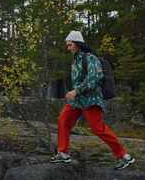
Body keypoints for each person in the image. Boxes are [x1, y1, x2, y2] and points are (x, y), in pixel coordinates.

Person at [50, 30, 135, 170]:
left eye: (70, 45)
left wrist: (76, 91)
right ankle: (63, 153)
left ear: (77, 44)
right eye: (67, 45)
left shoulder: (90, 58)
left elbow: (95, 78)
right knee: (63, 120)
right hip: (77, 100)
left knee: (98, 128)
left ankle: (125, 156)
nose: (68, 48)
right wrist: (74, 93)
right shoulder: (76, 59)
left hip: (91, 99)